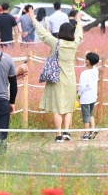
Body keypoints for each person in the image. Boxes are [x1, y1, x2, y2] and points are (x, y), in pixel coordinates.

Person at [29, 7, 84, 142]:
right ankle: (67, 132)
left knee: (57, 108)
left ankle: (58, 135)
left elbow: (43, 34)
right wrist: (79, 19)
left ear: (60, 32)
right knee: (69, 107)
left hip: (56, 78)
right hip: (70, 79)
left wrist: (32, 17)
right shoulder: (75, 43)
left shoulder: (56, 43)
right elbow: (79, 34)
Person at [78, 52, 100, 140]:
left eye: (86, 59)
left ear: (87, 61)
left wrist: (78, 94)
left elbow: (82, 86)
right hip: (93, 96)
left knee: (85, 116)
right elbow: (93, 65)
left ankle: (86, 134)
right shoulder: (96, 70)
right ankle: (93, 129)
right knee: (90, 114)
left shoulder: (84, 73)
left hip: (85, 97)